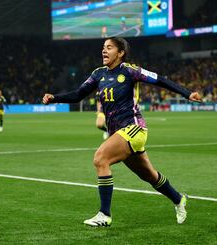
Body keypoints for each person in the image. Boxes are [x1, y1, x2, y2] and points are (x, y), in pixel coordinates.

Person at [42, 37, 202, 227]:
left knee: (100, 158)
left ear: (120, 53)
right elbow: (78, 94)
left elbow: (160, 80)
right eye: (103, 47)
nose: (104, 51)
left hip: (134, 128)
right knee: (149, 175)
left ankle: (104, 214)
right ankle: (178, 199)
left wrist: (187, 93)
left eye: (109, 47)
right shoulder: (98, 74)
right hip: (118, 132)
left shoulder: (129, 70)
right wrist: (55, 98)